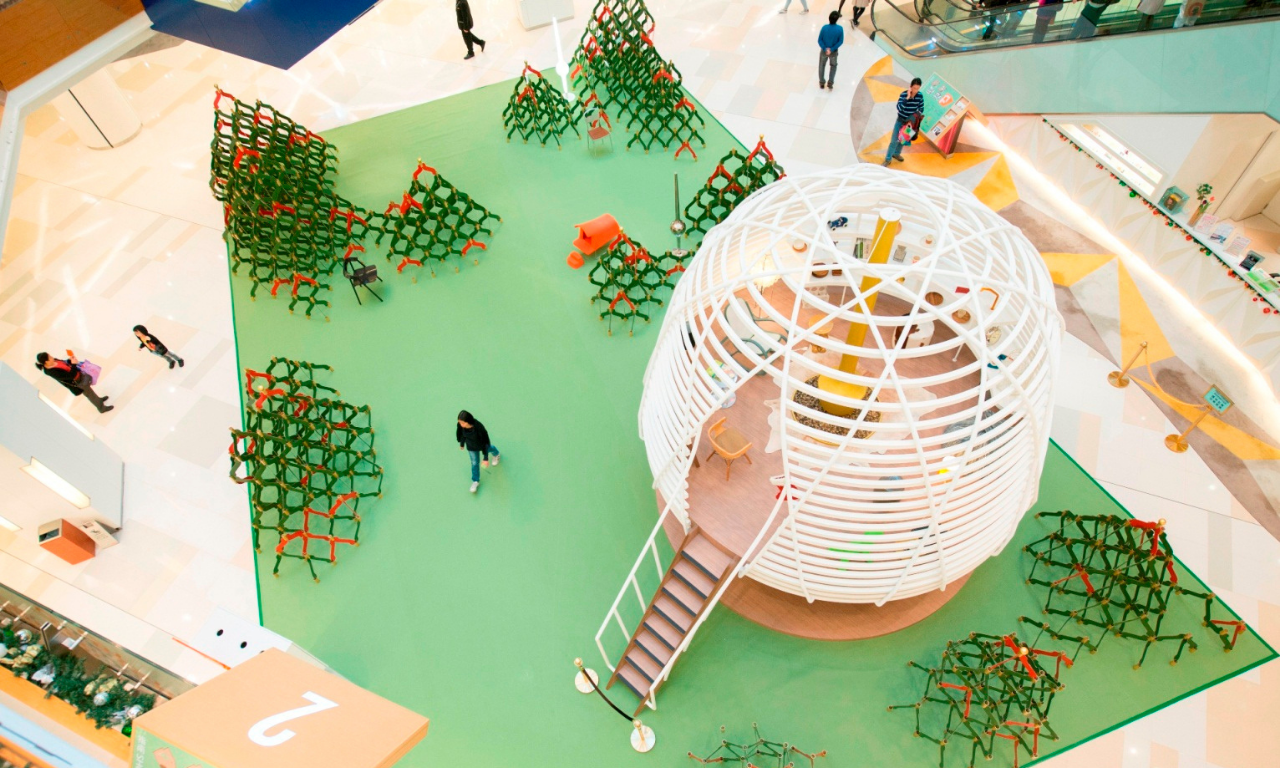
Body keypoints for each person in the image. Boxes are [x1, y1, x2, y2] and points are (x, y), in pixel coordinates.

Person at [36, 352, 113, 413]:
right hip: (76, 382)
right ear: (46, 362)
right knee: (89, 394)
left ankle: (98, 400)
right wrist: (73, 364)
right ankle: (101, 408)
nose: (52, 357)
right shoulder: (52, 372)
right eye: (50, 357)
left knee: (89, 391)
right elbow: (70, 376)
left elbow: (65, 363)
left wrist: (70, 360)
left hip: (78, 375)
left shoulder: (54, 360)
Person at [883, 77, 924, 167]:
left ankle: (896, 154)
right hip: (900, 121)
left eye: (917, 89)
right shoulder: (904, 94)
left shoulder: (920, 96)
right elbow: (899, 108)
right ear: (910, 87)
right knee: (894, 141)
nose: (915, 91)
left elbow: (921, 109)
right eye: (914, 88)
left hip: (911, 123)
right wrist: (907, 98)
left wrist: (911, 120)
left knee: (903, 140)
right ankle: (888, 159)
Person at [457, 410, 500, 493]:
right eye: (459, 423)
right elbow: (462, 435)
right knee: (474, 463)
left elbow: (485, 443)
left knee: (490, 448)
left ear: (468, 421)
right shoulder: (461, 426)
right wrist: (462, 444)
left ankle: (496, 454)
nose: (461, 425)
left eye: (462, 423)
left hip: (482, 445)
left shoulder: (479, 428)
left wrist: (486, 458)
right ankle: (475, 481)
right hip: (471, 447)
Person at [818, 11, 844, 90]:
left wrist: (825, 48)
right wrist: (832, 49)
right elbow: (840, 41)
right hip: (833, 52)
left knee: (822, 65)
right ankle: (830, 83)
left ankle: (822, 82)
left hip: (824, 51)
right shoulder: (840, 29)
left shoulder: (824, 28)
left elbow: (819, 40)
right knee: (833, 66)